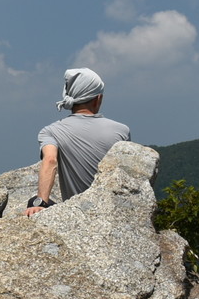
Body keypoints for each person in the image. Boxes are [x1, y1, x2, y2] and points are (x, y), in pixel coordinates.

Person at [26, 67, 130, 214]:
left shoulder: (50, 131)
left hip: (78, 214)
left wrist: (41, 202)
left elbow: (50, 160)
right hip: (112, 213)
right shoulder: (121, 131)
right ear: (98, 99)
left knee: (33, 201)